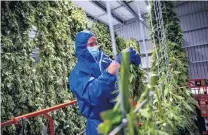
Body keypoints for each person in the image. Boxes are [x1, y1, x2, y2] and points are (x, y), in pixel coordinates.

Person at [69, 30, 141, 135]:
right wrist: (114, 67)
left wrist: (129, 63)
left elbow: (118, 77)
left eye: (95, 43)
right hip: (99, 126)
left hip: (116, 118)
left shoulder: (104, 61)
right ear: (81, 48)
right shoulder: (77, 73)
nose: (95, 47)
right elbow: (93, 94)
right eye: (90, 44)